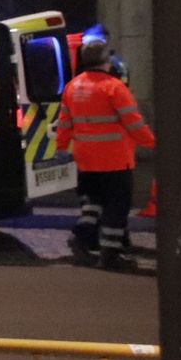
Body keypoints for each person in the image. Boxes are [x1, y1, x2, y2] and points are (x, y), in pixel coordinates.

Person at [55, 41, 154, 271]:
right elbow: (134, 123)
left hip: (86, 160)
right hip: (114, 160)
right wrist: (154, 143)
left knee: (93, 206)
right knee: (116, 208)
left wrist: (61, 148)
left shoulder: (73, 87)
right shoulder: (114, 88)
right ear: (106, 61)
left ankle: (80, 239)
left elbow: (64, 124)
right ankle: (110, 255)